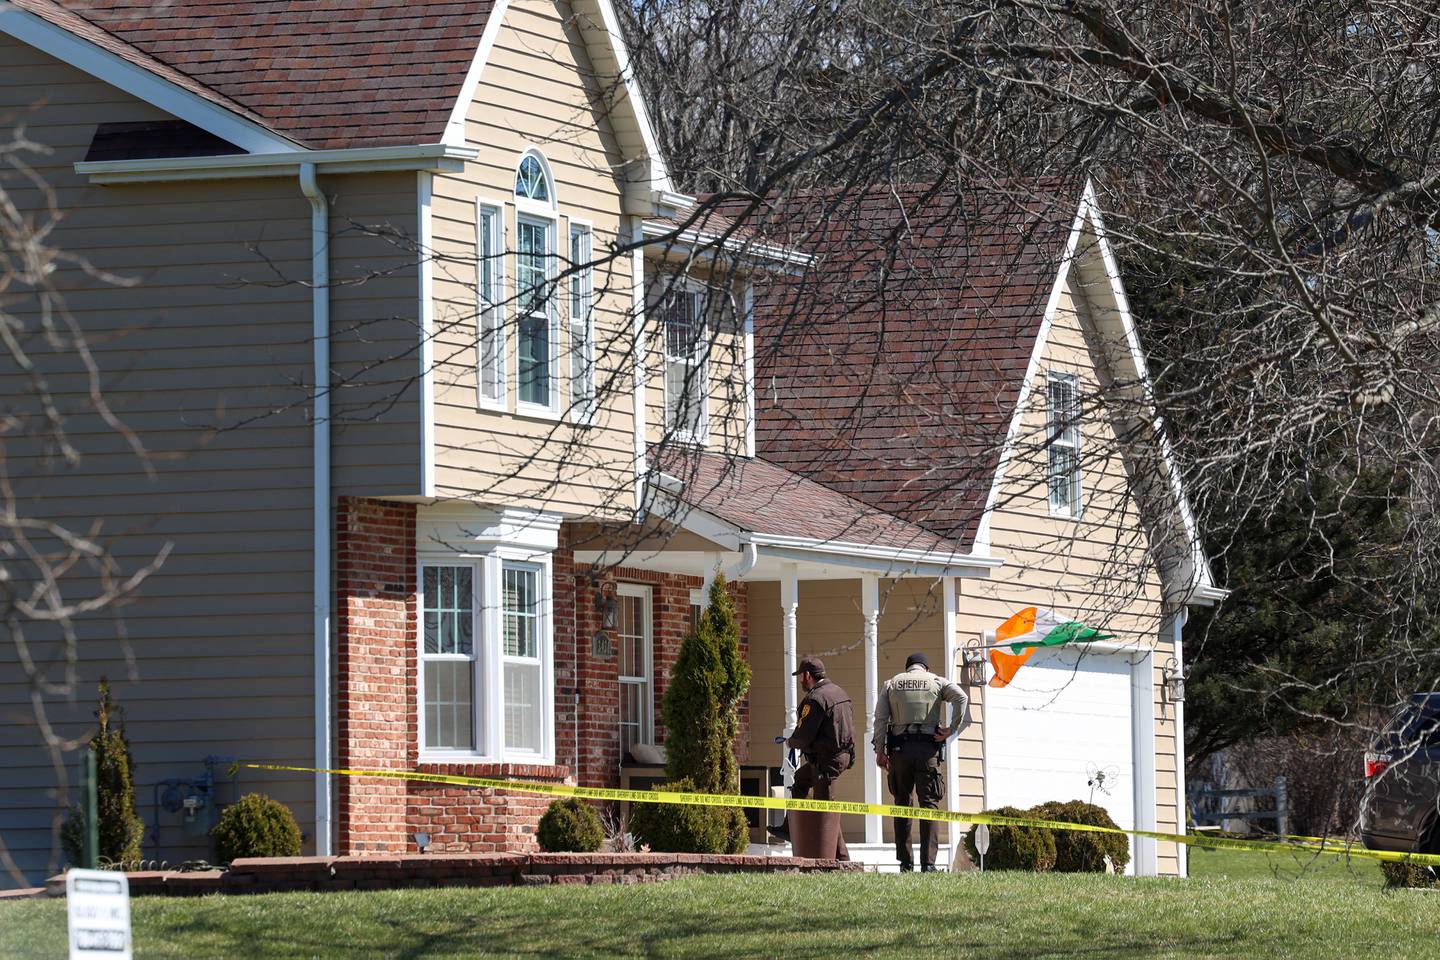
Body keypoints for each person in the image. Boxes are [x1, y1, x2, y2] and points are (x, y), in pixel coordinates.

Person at [874, 652, 970, 871]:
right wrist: (951, 729)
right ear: (925, 668)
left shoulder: (892, 684)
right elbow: (961, 697)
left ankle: (905, 863)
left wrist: (880, 750)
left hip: (900, 750)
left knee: (902, 803)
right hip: (928, 751)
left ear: (908, 667)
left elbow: (880, 720)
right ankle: (928, 864)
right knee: (929, 804)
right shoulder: (936, 681)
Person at [769, 656, 854, 860]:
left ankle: (842, 860)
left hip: (826, 760)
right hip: (839, 756)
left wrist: (791, 742)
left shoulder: (815, 699)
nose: (800, 681)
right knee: (801, 780)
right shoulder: (840, 693)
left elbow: (804, 735)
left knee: (826, 809)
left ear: (808, 675)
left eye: (801, 677)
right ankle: (790, 826)